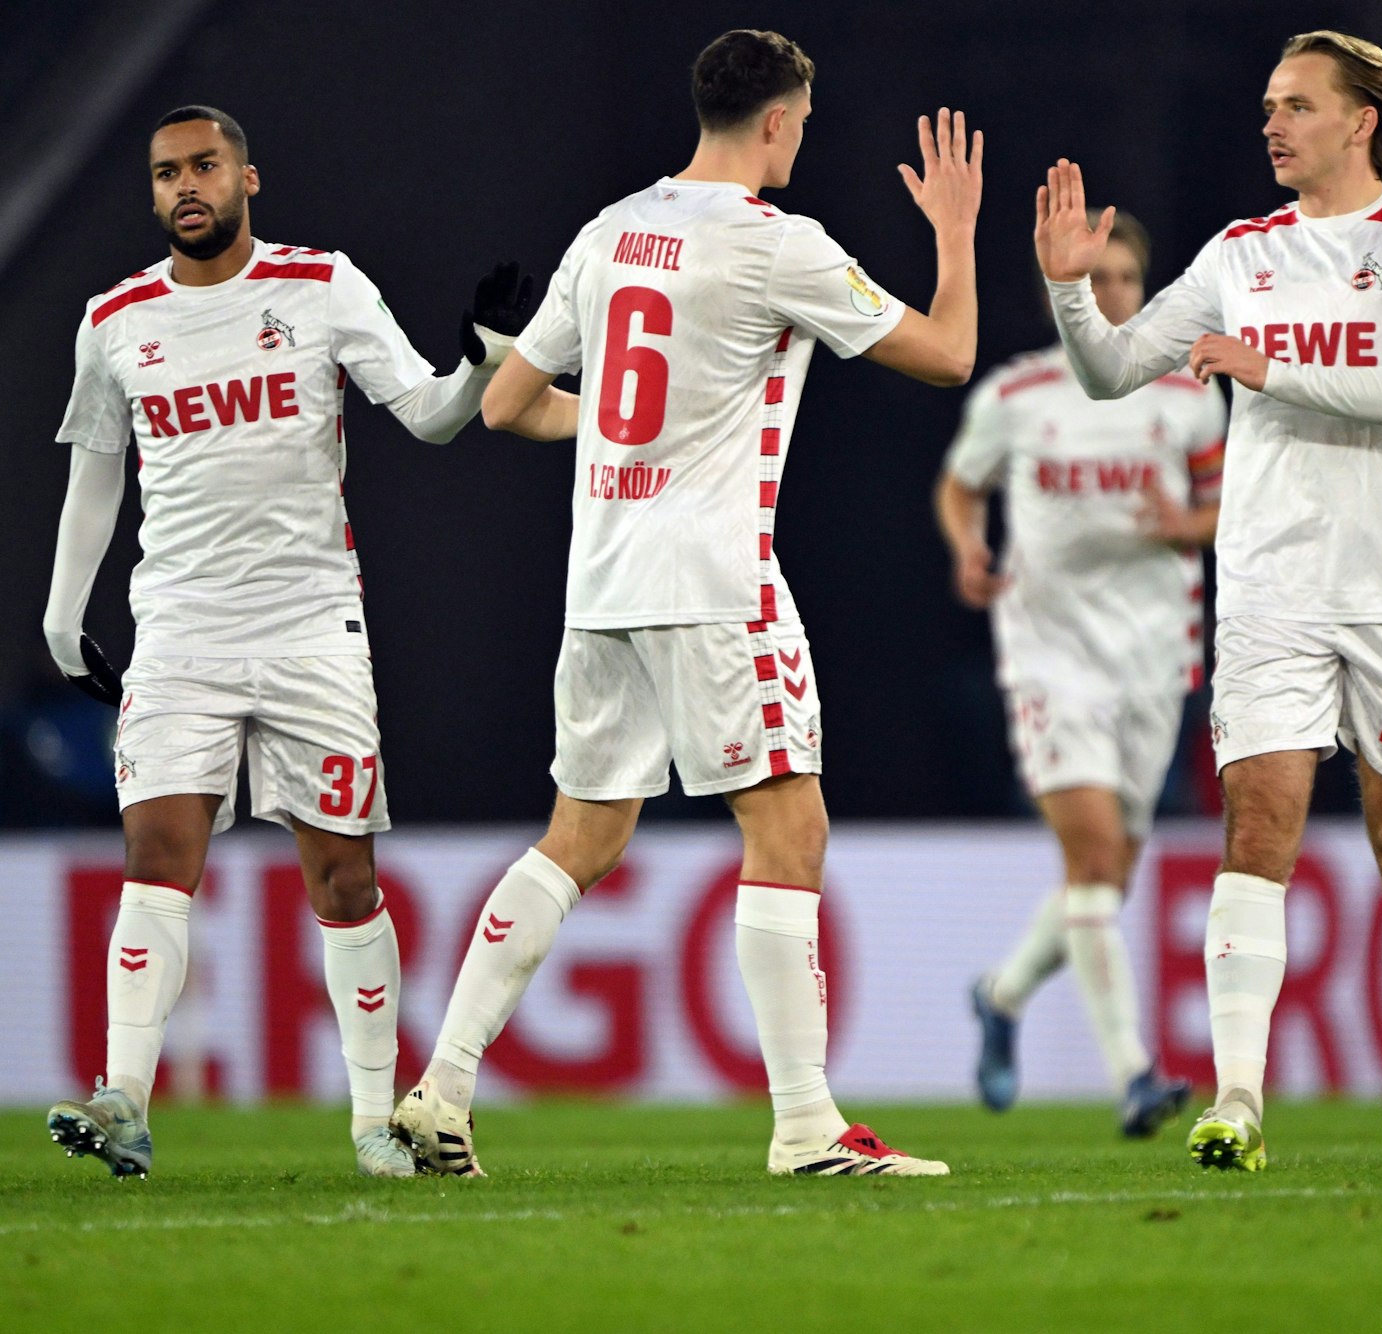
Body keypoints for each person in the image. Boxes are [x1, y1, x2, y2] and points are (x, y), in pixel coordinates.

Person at [391, 29, 980, 1178]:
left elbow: (512, 405)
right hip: (716, 579)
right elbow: (949, 354)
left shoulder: (611, 229)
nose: (802, 138)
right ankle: (807, 1126)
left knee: (582, 833)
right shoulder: (779, 244)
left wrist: (617, 432)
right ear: (774, 121)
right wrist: (953, 233)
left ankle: (443, 1085)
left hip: (603, 579)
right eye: (802, 121)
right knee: (787, 826)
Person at [43, 105, 533, 1178]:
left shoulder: (322, 287)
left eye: (205, 166)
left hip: (313, 625)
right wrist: (60, 608)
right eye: (168, 172)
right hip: (178, 627)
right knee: (156, 855)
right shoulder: (116, 317)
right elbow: (95, 469)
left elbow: (430, 414)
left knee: (341, 878)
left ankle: (370, 1120)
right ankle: (125, 1091)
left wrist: (486, 360)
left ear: (248, 178)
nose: (187, 186)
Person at [1034, 30, 1382, 1171]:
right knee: (1257, 829)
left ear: (1360, 120)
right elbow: (1114, 369)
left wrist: (1268, 368)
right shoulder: (1240, 253)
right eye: (1269, 105)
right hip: (1271, 588)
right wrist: (1067, 293)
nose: (1271, 123)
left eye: (1295, 105)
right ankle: (1237, 1096)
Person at [935, 212, 1224, 1136]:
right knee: (1094, 860)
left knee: (1103, 881)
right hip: (1049, 657)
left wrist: (1180, 527)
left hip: (1153, 660)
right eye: (1094, 280)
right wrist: (967, 544)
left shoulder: (1186, 397)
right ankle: (1134, 1075)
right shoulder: (1015, 394)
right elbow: (959, 483)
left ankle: (1001, 994)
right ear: (1063, 290)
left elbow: (1226, 508)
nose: (1112, 296)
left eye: (1128, 280)